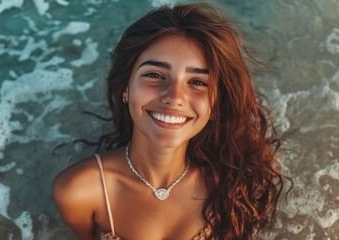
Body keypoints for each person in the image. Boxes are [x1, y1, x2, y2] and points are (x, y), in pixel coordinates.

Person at [53, 3, 287, 240]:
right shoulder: (79, 190)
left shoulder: (233, 183)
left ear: (216, 104)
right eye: (154, 75)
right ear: (125, 89)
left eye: (198, 82)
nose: (174, 97)